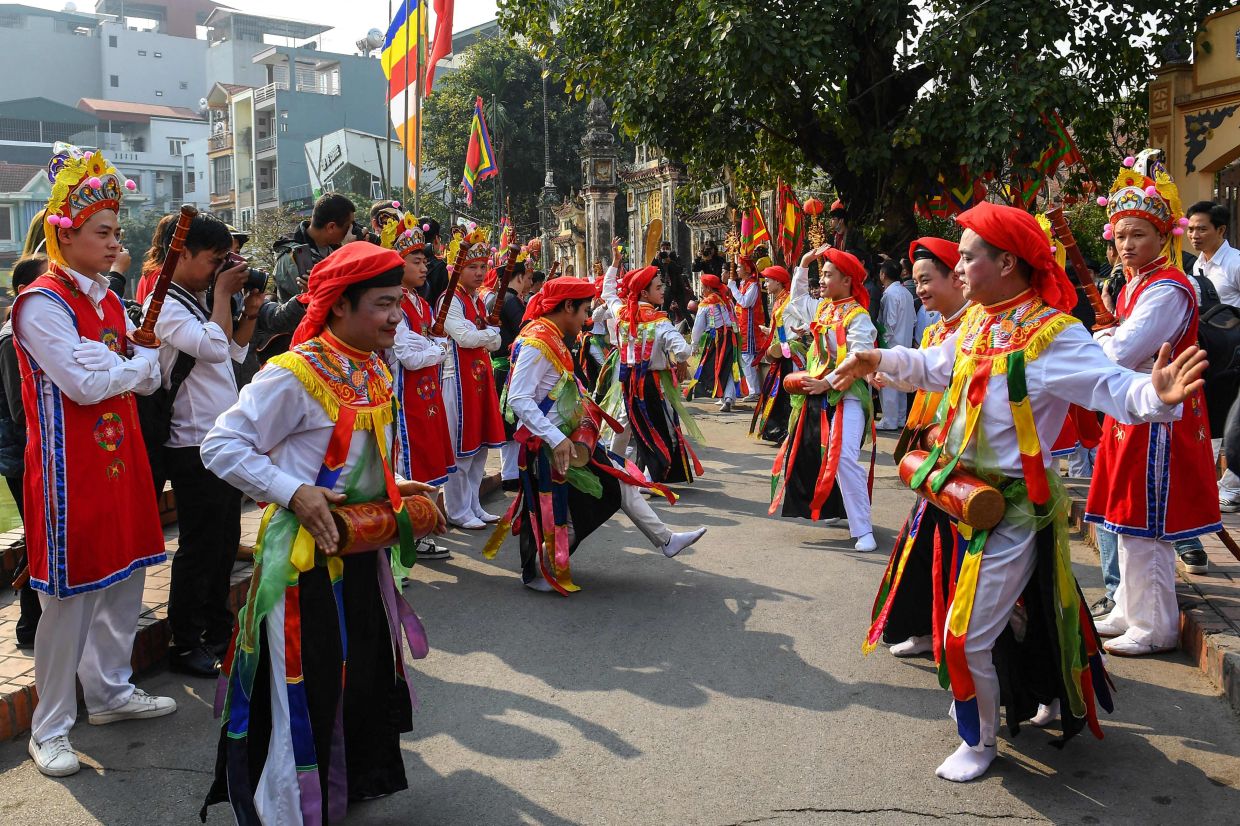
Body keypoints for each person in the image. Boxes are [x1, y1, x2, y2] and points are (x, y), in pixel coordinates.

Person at [831, 200, 1208, 782]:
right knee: (1015, 617)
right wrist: (876, 356)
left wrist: (1155, 395)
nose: (957, 268)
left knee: (962, 636)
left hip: (1008, 510)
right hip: (960, 498)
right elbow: (937, 365)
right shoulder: (980, 321)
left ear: (1006, 262)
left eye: (967, 257)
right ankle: (1040, 695)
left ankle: (978, 743)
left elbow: (1112, 388)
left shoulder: (1053, 336)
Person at [200, 241, 443, 821]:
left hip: (360, 547)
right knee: (305, 691)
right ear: (339, 306)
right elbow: (220, 445)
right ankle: (286, 810)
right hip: (303, 562)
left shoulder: (369, 366)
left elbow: (360, 461)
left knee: (358, 677)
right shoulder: (294, 374)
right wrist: (292, 491)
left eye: (399, 302)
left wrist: (397, 484)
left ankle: (344, 784)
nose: (395, 316)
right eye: (383, 303)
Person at [14, 144, 176, 777]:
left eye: (116, 230)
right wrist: (132, 367)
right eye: (102, 232)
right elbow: (85, 383)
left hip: (120, 458)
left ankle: (108, 691)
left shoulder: (109, 300)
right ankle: (49, 725)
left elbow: (143, 378)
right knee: (68, 598)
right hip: (66, 472)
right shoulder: (41, 304)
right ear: (67, 233)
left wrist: (130, 368)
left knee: (125, 578)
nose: (115, 242)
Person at [485, 278, 707, 593]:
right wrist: (556, 438)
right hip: (551, 445)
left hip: (565, 439)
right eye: (583, 311)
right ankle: (539, 570)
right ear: (566, 307)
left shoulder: (550, 335)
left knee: (619, 482)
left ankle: (666, 540)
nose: (585, 319)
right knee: (578, 507)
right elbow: (519, 399)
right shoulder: (538, 341)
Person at [1086, 154, 1221, 655]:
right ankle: (1128, 606)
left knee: (1148, 524)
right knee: (1124, 517)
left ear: (1164, 236)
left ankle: (1158, 623)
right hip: (1133, 413)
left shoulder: (1166, 288)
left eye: (1138, 235)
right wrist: (1107, 339)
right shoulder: (1137, 284)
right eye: (1120, 236)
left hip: (1161, 415)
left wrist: (1100, 338)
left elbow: (1123, 352)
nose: (1126, 246)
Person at [145, 213, 263, 678]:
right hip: (191, 440)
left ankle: (217, 629)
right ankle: (184, 641)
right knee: (200, 545)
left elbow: (232, 352)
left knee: (224, 540)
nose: (218, 270)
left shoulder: (192, 298)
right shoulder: (164, 300)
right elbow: (212, 349)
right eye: (213, 261)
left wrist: (247, 309)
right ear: (183, 253)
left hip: (217, 436)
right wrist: (220, 295)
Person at [864, 237, 967, 658]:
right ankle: (926, 630)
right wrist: (890, 375)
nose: (920, 289)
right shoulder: (939, 327)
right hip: (938, 458)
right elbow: (925, 374)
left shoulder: (975, 326)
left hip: (972, 463)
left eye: (927, 280)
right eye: (917, 281)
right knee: (925, 546)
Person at [769, 245, 877, 552]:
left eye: (828, 275)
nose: (823, 280)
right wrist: (803, 264)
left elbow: (858, 357)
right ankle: (833, 509)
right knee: (813, 454)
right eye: (822, 274)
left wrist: (827, 381)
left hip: (848, 396)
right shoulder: (825, 309)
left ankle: (863, 528)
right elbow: (799, 299)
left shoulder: (859, 317)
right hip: (817, 393)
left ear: (847, 281)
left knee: (843, 458)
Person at [601, 238, 703, 485]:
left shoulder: (623, 313)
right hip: (652, 383)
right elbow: (683, 351)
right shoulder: (660, 323)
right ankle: (649, 477)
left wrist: (615, 263)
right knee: (657, 428)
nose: (663, 290)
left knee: (630, 423)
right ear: (644, 293)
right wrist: (693, 342)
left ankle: (617, 465)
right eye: (658, 288)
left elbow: (608, 292)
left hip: (628, 380)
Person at [389, 220, 455, 560]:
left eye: (425, 260)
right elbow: (408, 355)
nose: (425, 265)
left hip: (426, 392)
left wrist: (432, 347)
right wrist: (437, 350)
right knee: (409, 461)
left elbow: (427, 344)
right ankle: (408, 535)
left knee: (429, 456)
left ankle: (421, 529)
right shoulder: (395, 304)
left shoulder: (420, 303)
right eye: (416, 260)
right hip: (406, 394)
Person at [440, 226, 506, 529]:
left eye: (483, 267)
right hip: (457, 381)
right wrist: (488, 335)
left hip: (478, 379)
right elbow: (465, 337)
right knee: (461, 450)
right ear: (458, 269)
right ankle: (457, 509)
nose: (480, 273)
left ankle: (474, 505)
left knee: (479, 448)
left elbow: (494, 341)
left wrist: (488, 336)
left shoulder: (476, 299)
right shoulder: (450, 300)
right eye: (473, 267)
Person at [0, 255, 48, 648]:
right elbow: (21, 410)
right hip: (24, 457)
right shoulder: (10, 339)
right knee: (40, 540)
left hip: (36, 453)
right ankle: (29, 626)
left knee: (43, 539)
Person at [1184, 200, 1240, 521]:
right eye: (1191, 228)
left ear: (1220, 230)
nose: (1194, 234)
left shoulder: (1234, 264)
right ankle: (1209, 485)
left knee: (1233, 426)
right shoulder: (1196, 267)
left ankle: (1231, 488)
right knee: (1212, 420)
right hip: (1211, 356)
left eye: (1202, 228)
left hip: (1235, 357)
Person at [751, 264, 806, 444]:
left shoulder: (790, 300)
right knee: (777, 393)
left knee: (788, 393)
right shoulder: (778, 301)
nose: (765, 284)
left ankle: (789, 432)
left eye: (768, 280)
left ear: (778, 282)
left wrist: (802, 330)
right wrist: (771, 331)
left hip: (791, 353)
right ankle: (780, 431)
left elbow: (808, 319)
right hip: (781, 352)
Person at [490, 258, 533, 491]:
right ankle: (510, 474)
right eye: (526, 277)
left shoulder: (503, 299)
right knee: (510, 421)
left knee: (513, 421)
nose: (528, 281)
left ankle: (514, 472)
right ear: (518, 277)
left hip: (505, 367)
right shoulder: (509, 301)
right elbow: (525, 329)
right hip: (506, 367)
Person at [272, 193, 356, 302]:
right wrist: (347, 251)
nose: (350, 231)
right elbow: (334, 301)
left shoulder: (330, 248)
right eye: (348, 227)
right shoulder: (293, 259)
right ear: (331, 227)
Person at [686, 272, 746, 411]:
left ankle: (724, 396)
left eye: (703, 287)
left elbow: (698, 327)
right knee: (730, 367)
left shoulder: (706, 304)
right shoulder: (727, 300)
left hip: (717, 340)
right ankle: (728, 398)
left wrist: (694, 344)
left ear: (708, 288)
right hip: (732, 338)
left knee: (717, 368)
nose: (702, 290)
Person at [876, 259, 915, 431]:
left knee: (889, 382)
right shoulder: (906, 293)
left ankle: (889, 420)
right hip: (905, 343)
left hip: (891, 345)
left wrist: (881, 339)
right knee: (901, 381)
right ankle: (899, 418)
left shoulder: (890, 295)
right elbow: (913, 320)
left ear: (883, 275)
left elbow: (889, 323)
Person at [729, 256, 765, 401]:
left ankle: (755, 391)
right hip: (741, 325)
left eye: (739, 266)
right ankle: (751, 390)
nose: (737, 269)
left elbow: (745, 303)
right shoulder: (744, 284)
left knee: (748, 357)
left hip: (750, 327)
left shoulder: (753, 285)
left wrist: (732, 287)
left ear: (747, 269)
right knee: (744, 357)